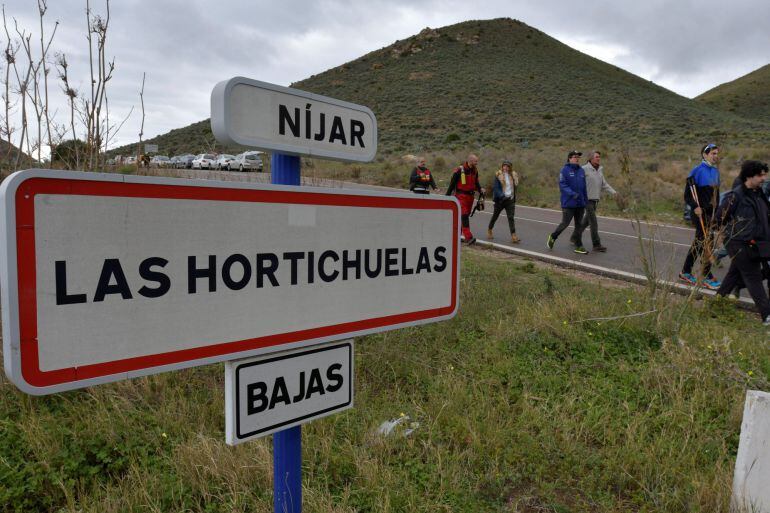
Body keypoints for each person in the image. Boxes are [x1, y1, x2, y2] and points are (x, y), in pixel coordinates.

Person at [715, 160, 770, 325]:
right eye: (760, 175)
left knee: (734, 275)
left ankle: (713, 306)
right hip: (739, 243)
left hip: (757, 243)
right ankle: (767, 315)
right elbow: (719, 217)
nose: (764, 178)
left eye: (764, 174)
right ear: (749, 176)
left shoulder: (759, 194)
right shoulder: (736, 196)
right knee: (752, 277)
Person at [679, 143, 721, 290]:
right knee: (705, 242)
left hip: (710, 213)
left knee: (699, 242)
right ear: (705, 154)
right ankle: (706, 276)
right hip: (699, 213)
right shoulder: (696, 171)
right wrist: (695, 206)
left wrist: (718, 211)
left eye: (717, 153)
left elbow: (716, 195)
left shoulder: (716, 172)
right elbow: (688, 195)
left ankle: (685, 271)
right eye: (713, 153)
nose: (716, 156)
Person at [547, 150, 589, 254]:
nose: (577, 158)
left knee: (579, 225)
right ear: (569, 158)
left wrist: (586, 200)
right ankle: (553, 236)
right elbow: (562, 185)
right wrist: (572, 194)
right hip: (568, 203)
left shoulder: (581, 171)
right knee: (565, 223)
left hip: (580, 203)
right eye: (575, 157)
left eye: (578, 157)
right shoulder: (564, 170)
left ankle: (579, 246)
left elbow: (584, 187)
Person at [574, 151, 616, 252]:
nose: (598, 158)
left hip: (595, 200)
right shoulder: (584, 169)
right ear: (591, 159)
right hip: (586, 200)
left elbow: (604, 184)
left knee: (585, 222)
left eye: (599, 157)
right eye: (596, 157)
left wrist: (614, 193)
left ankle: (575, 237)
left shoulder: (599, 170)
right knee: (593, 222)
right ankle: (596, 244)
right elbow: (576, 182)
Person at [446, 154, 485, 244]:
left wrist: (480, 190)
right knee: (464, 215)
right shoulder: (460, 170)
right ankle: (468, 237)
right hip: (461, 196)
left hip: (470, 197)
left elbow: (476, 182)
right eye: (476, 161)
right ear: (470, 161)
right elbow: (452, 184)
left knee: (465, 216)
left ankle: (456, 235)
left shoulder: (475, 170)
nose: (477, 163)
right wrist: (447, 196)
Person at [487, 160, 521, 243]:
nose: (505, 168)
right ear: (502, 167)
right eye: (504, 166)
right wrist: (502, 196)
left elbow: (515, 186)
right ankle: (490, 229)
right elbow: (496, 188)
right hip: (501, 200)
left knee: (511, 218)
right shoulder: (498, 175)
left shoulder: (513, 175)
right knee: (495, 216)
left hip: (510, 200)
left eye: (507, 166)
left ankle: (513, 235)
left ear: (510, 167)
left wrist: (512, 196)